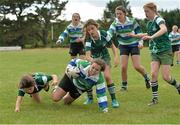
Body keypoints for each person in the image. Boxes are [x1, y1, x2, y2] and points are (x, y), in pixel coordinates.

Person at [141, 2, 180, 106]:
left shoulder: (159, 19)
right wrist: (134, 35)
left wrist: (151, 37)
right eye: (144, 11)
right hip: (155, 51)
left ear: (153, 10)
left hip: (165, 51)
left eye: (147, 11)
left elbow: (164, 29)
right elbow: (148, 34)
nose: (145, 14)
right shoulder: (149, 23)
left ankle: (178, 86)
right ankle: (155, 99)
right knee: (153, 74)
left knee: (166, 77)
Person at [107, 6, 150, 91]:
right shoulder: (115, 23)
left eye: (120, 14)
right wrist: (105, 37)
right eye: (117, 14)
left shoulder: (132, 21)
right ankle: (124, 86)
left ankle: (147, 78)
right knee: (123, 67)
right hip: (123, 46)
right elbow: (110, 32)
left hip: (134, 44)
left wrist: (141, 43)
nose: (118, 15)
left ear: (124, 14)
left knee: (137, 66)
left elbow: (139, 32)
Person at [83, 19, 119, 108]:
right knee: (89, 76)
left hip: (105, 58)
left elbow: (113, 47)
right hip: (94, 60)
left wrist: (116, 57)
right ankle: (90, 98)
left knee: (107, 77)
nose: (91, 31)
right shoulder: (88, 40)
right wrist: (95, 62)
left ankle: (114, 99)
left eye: (92, 28)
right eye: (89, 30)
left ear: (96, 27)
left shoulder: (104, 34)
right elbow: (87, 56)